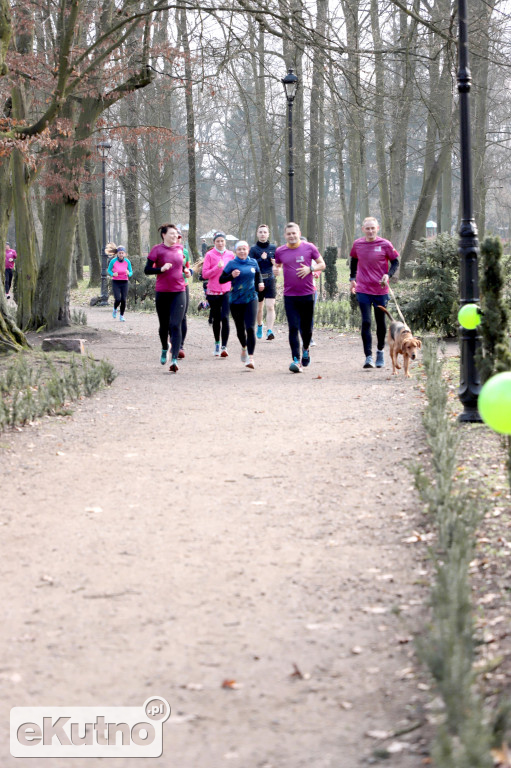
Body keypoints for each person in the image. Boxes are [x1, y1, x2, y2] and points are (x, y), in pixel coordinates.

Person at [349, 216, 400, 369]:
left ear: (377, 229)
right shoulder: (357, 244)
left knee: (380, 323)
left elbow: (396, 261)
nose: (370, 231)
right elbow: (353, 260)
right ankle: (368, 357)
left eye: (373, 228)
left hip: (380, 289)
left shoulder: (385, 244)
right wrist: (352, 278)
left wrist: (388, 275)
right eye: (367, 228)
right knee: (366, 321)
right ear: (363, 229)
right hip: (363, 289)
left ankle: (380, 352)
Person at [274, 222, 325, 373]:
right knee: (293, 328)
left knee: (306, 329)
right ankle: (296, 360)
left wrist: (310, 268)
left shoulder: (309, 247)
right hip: (290, 295)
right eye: (288, 234)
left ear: (299, 232)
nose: (291, 236)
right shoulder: (280, 251)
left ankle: (306, 349)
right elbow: (277, 266)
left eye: (294, 233)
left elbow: (322, 264)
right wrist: (275, 270)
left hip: (307, 294)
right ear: (285, 235)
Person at [144, 223, 189, 373]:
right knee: (164, 326)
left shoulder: (180, 249)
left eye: (176, 234)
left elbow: (180, 266)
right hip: (162, 292)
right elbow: (147, 269)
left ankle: (174, 359)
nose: (175, 236)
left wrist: (186, 271)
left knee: (176, 325)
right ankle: (165, 347)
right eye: (172, 234)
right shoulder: (157, 249)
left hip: (179, 291)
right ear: (164, 235)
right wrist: (160, 269)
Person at [219, 240, 264, 369]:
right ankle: (244, 346)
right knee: (240, 329)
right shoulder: (232, 264)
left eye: (244, 249)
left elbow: (258, 275)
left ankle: (251, 358)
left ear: (248, 250)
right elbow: (221, 279)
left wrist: (260, 283)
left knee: (250, 328)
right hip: (236, 300)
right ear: (235, 251)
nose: (242, 251)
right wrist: (231, 276)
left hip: (251, 298)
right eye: (239, 249)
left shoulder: (253, 262)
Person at [202, 231, 234, 357]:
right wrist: (217, 268)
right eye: (217, 241)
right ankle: (217, 343)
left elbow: (233, 271)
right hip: (213, 291)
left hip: (226, 290)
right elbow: (205, 274)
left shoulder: (231, 255)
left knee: (225, 318)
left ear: (225, 241)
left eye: (222, 241)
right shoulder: (210, 255)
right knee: (216, 318)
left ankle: (224, 347)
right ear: (214, 242)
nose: (220, 243)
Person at [249, 224, 278, 341]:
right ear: (257, 234)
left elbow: (279, 265)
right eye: (260, 232)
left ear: (268, 234)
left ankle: (270, 330)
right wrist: (262, 259)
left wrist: (275, 263)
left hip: (270, 279)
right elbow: (251, 265)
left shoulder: (274, 248)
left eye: (265, 232)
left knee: (270, 306)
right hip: (258, 280)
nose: (262, 234)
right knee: (259, 308)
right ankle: (260, 326)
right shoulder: (253, 249)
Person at [106, 243, 133, 322]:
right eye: (119, 253)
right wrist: (112, 274)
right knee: (118, 299)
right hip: (116, 282)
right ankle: (115, 309)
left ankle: (121, 315)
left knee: (123, 300)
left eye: (122, 253)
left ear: (125, 254)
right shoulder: (113, 261)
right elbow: (109, 270)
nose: (121, 254)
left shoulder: (127, 261)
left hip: (124, 282)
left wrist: (129, 273)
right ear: (117, 253)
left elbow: (131, 272)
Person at [177, 230, 191, 359]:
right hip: (170, 287)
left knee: (183, 316)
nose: (177, 239)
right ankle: (172, 341)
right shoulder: (164, 251)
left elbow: (187, 267)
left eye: (180, 237)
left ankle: (180, 345)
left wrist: (188, 272)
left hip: (184, 285)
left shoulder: (185, 252)